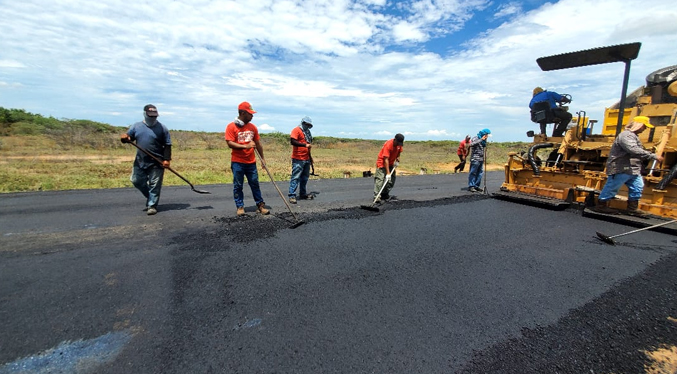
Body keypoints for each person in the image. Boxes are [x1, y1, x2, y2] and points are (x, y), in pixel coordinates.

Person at [592, 116, 663, 216]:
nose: (645, 129)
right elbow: (632, 149)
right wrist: (653, 156)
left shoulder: (633, 136)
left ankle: (632, 209)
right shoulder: (626, 136)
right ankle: (601, 205)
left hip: (633, 169)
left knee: (637, 187)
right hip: (621, 167)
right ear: (639, 125)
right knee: (613, 186)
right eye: (644, 126)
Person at [120, 104, 172, 216]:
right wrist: (125, 138)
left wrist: (166, 160)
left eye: (155, 116)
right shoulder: (136, 126)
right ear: (145, 114)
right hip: (140, 160)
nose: (153, 118)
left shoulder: (162, 128)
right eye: (150, 116)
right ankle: (150, 197)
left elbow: (167, 145)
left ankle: (152, 205)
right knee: (136, 180)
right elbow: (129, 138)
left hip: (157, 161)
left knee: (155, 185)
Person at [224, 101, 269, 216]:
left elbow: (258, 144)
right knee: (238, 185)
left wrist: (262, 159)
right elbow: (230, 143)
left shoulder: (252, 127)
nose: (252, 116)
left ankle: (260, 205)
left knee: (254, 183)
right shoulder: (231, 127)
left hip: (251, 162)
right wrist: (246, 146)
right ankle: (240, 207)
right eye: (250, 113)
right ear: (243, 113)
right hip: (237, 162)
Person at [288, 116, 315, 204]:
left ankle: (303, 193)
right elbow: (293, 141)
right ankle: (292, 195)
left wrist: (310, 158)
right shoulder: (296, 130)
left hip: (306, 158)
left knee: (305, 178)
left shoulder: (307, 132)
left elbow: (309, 145)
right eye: (307, 124)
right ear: (303, 123)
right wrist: (304, 145)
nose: (308, 126)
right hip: (298, 158)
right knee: (295, 177)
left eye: (309, 125)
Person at [373, 134, 404, 202]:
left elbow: (399, 152)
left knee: (392, 179)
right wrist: (388, 173)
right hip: (382, 163)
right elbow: (385, 160)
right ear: (394, 139)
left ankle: (384, 193)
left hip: (391, 163)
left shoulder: (399, 145)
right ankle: (377, 196)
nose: (398, 144)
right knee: (380, 179)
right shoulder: (388, 145)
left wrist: (397, 159)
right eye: (397, 143)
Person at [467, 128, 491, 192]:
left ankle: (476, 186)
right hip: (475, 159)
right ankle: (471, 186)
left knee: (480, 173)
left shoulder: (483, 141)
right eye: (486, 134)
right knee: (473, 172)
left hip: (481, 159)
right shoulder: (476, 138)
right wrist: (481, 139)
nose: (487, 136)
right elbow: (471, 144)